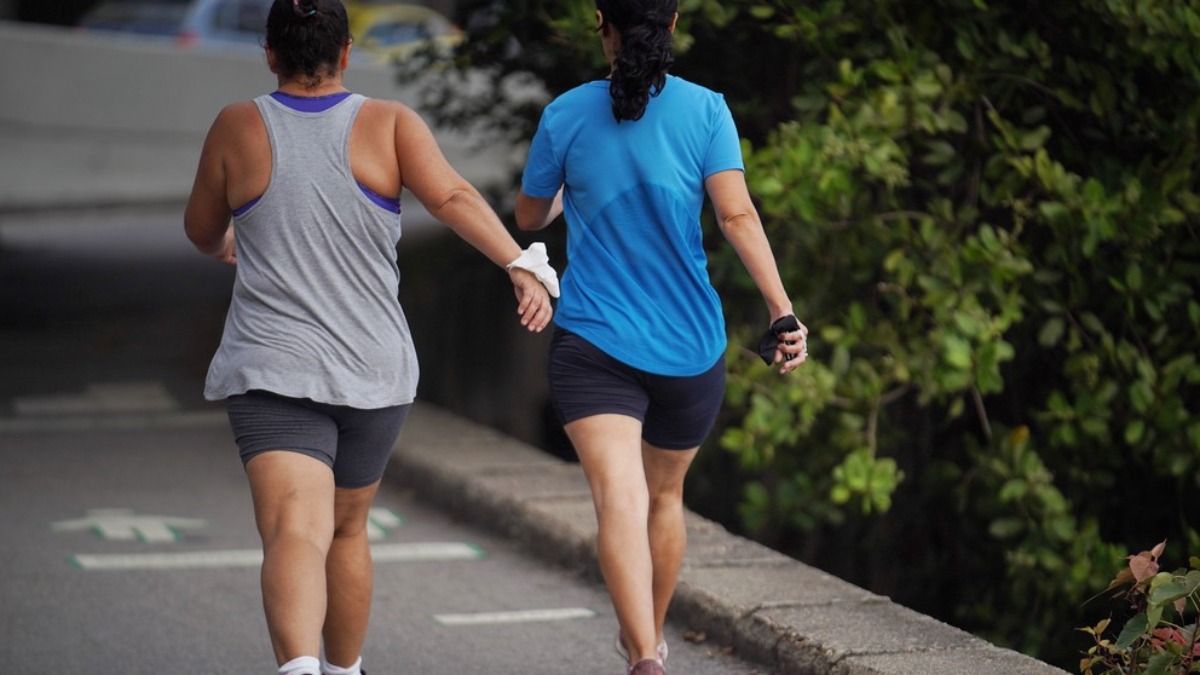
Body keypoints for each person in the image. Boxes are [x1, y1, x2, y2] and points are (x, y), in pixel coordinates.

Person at [183, 1, 556, 674]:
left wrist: (225, 239)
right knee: (348, 528)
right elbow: (454, 198)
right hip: (373, 370)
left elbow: (201, 226)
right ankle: (343, 670)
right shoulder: (388, 124)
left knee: (296, 526)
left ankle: (299, 668)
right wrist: (520, 263)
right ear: (347, 53)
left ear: (270, 53)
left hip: (274, 366)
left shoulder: (238, 126)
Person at [514, 1, 807, 674]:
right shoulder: (707, 111)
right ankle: (648, 638)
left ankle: (643, 650)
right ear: (673, 24)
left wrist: (560, 192)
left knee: (620, 497)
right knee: (664, 497)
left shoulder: (566, 114)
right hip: (689, 346)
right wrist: (781, 310)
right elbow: (735, 213)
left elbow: (530, 214)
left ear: (602, 25)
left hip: (595, 342)